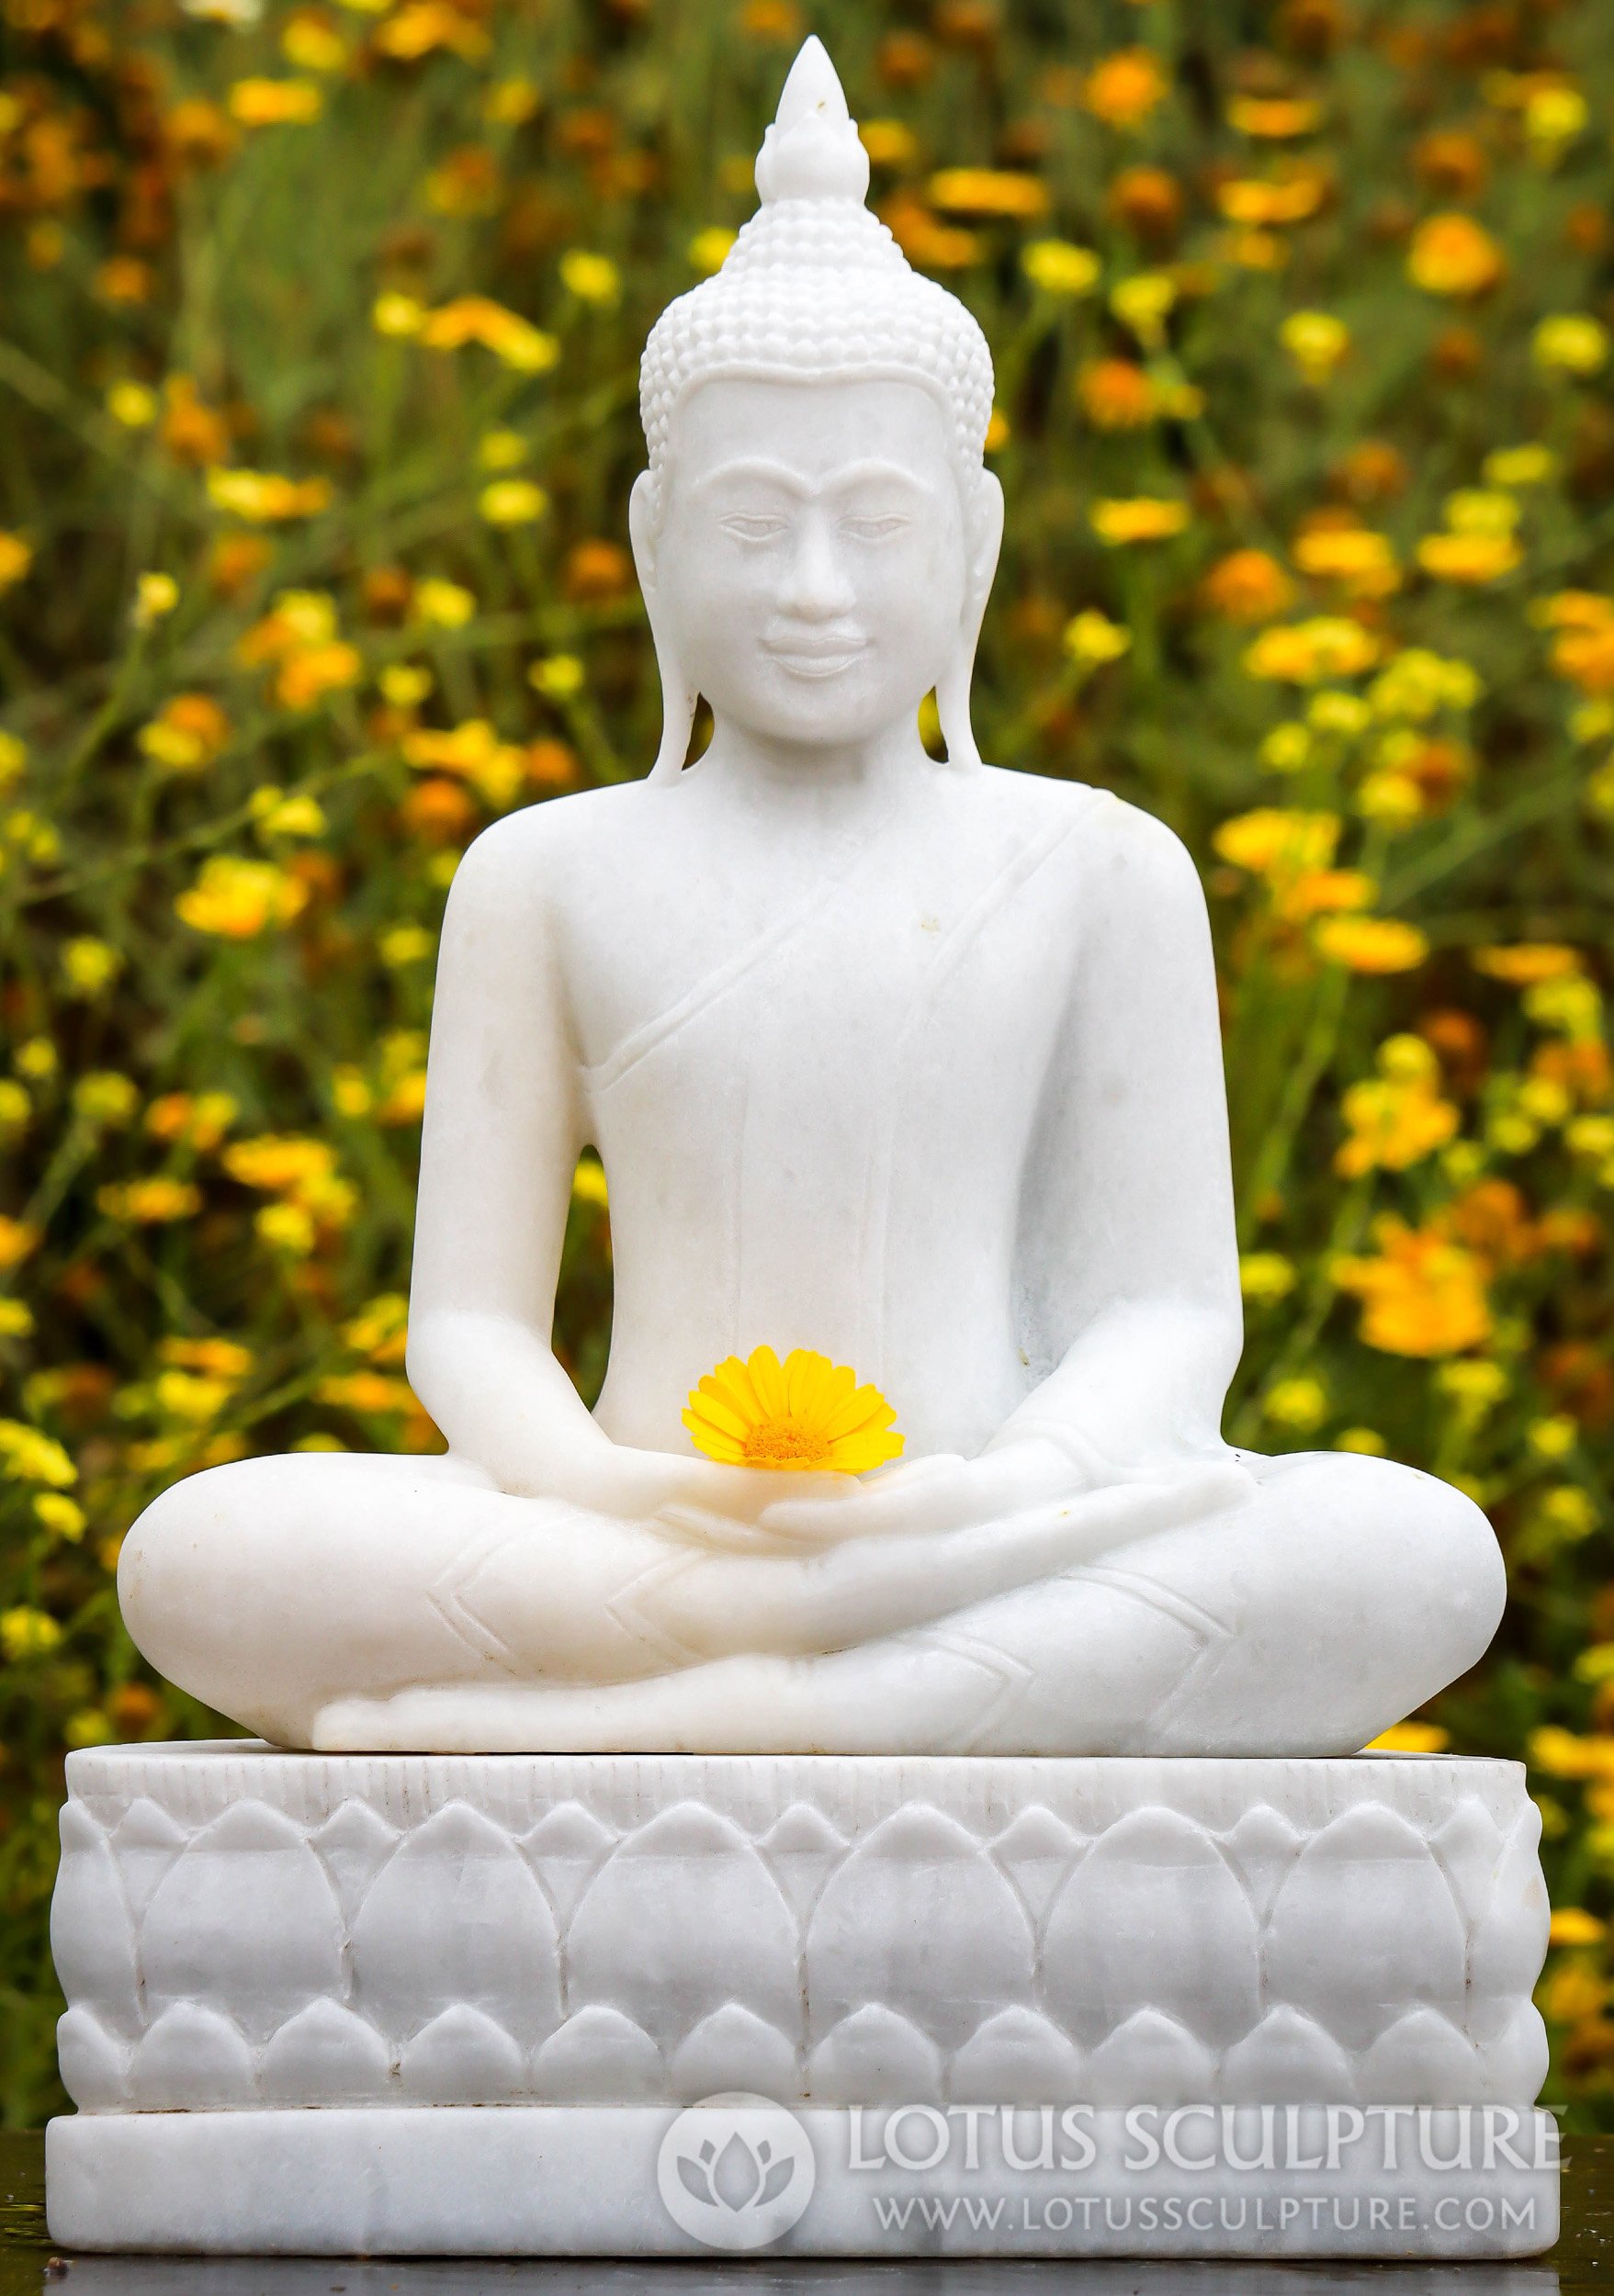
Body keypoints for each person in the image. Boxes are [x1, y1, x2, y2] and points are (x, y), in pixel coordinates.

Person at [119, 42, 1504, 1756]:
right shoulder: (543, 874)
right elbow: (472, 1329)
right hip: (638, 1538)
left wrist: (1002, 1494)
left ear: (978, 547)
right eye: (751, 524)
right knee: (198, 1554)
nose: (816, 590)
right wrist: (622, 1501)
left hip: (994, 1533)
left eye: (877, 522)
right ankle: (816, 1678)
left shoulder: (1099, 867)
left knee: (1412, 1551)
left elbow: (1165, 1315)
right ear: (648, 544)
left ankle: (707, 1715)